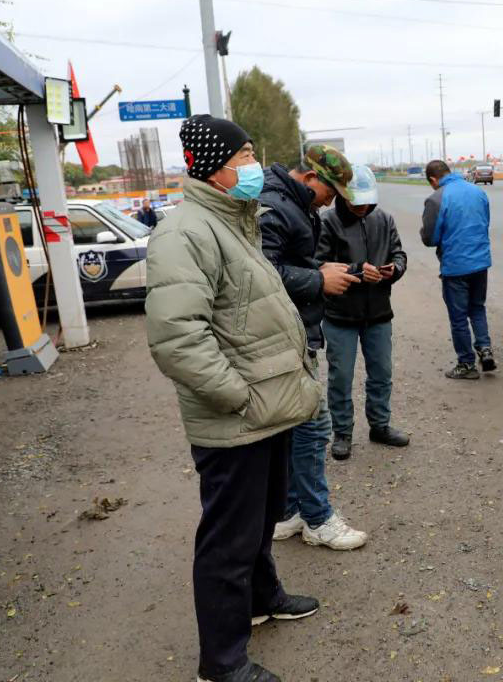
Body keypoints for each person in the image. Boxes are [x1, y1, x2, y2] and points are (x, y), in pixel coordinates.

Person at [145, 114, 324, 682]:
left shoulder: (235, 219)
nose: (254, 166)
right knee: (228, 540)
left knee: (264, 517)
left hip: (266, 410)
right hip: (238, 417)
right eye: (244, 156)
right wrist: (238, 396)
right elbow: (177, 338)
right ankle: (221, 664)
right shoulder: (185, 231)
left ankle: (263, 596)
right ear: (214, 167)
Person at [258, 145, 368, 551]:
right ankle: (318, 519)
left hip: (294, 329)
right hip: (285, 335)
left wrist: (323, 271)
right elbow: (261, 273)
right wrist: (318, 280)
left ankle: (289, 512)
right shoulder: (276, 208)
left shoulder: (292, 205)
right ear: (309, 178)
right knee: (313, 425)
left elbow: (291, 262)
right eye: (332, 192)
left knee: (294, 426)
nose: (332, 201)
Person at [318, 164, 409, 459]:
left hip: (379, 312)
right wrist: (357, 272)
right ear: (343, 196)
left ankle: (380, 425)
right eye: (357, 202)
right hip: (340, 315)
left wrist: (394, 269)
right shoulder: (327, 222)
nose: (363, 207)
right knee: (341, 377)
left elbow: (399, 253)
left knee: (381, 373)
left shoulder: (384, 219)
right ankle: (342, 432)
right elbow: (318, 264)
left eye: (368, 201)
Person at [420, 160, 495, 380]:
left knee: (459, 317)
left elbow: (430, 238)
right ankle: (485, 349)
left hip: (455, 267)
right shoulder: (478, 192)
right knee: (477, 308)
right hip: (480, 263)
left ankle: (466, 365)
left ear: (433, 180)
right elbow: (485, 223)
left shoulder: (436, 198)